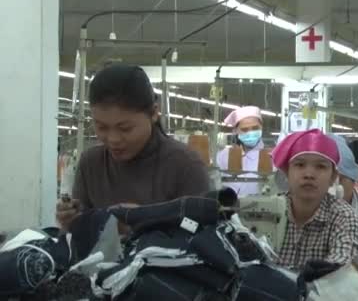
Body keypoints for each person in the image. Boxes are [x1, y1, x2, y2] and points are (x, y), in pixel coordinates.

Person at [55, 65, 210, 230]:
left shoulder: (185, 165)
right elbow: (79, 238)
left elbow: (199, 228)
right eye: (102, 127)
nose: (113, 139)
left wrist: (147, 218)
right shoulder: (91, 163)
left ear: (153, 113)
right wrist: (72, 222)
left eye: (125, 128)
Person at [272, 129, 358, 272]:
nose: (309, 174)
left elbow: (337, 272)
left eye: (320, 166)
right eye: (300, 165)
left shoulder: (344, 217)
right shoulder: (269, 210)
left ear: (333, 177)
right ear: (286, 172)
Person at [216, 106, 266, 196]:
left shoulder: (270, 158)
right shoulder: (224, 156)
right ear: (235, 131)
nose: (250, 133)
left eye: (255, 128)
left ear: (261, 127)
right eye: (244, 129)